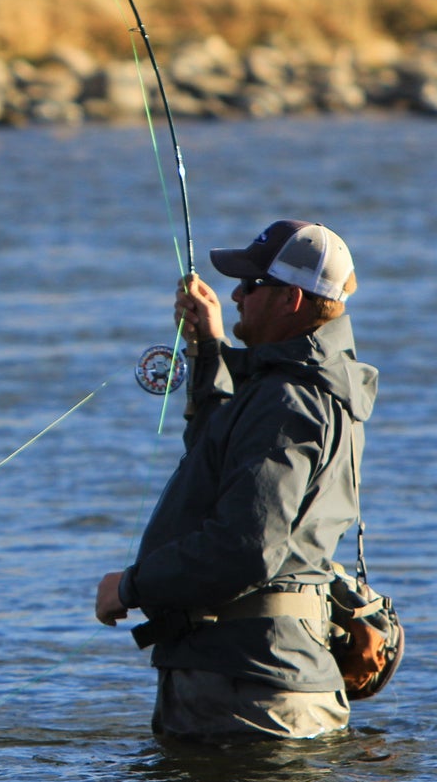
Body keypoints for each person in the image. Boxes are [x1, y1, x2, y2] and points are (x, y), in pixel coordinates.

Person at [93, 219, 378, 741]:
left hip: (249, 693)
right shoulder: (301, 386)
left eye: (252, 285)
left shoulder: (286, 400)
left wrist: (132, 585)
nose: (237, 294)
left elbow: (246, 547)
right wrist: (209, 348)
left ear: (291, 299)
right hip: (262, 681)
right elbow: (219, 462)